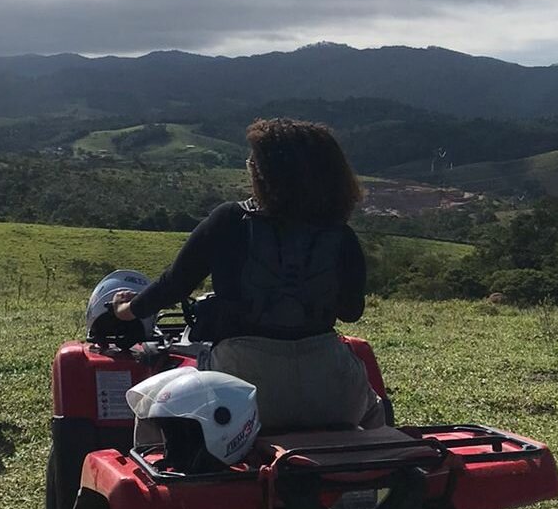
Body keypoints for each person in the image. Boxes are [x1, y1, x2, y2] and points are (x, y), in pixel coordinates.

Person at [112, 117, 383, 430]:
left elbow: (172, 285)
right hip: (334, 390)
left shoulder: (230, 219)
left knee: (151, 408)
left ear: (266, 174)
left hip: (244, 390)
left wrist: (125, 310)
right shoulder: (342, 236)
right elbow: (351, 312)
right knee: (377, 413)